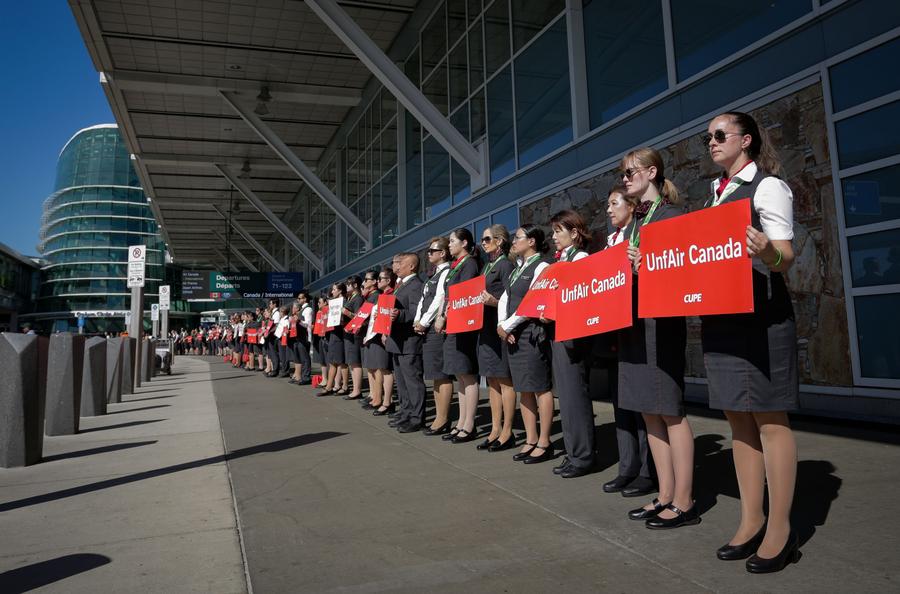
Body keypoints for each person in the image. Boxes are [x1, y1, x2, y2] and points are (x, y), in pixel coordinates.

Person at [700, 111, 800, 573]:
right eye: (708, 138)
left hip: (762, 316)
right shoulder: (715, 194)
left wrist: (767, 251)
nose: (712, 142)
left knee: (769, 417)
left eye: (720, 135)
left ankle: (780, 528)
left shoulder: (768, 186)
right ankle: (750, 518)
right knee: (737, 418)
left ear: (746, 140)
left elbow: (786, 256)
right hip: (724, 318)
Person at [617, 147, 697, 531]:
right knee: (649, 411)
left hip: (660, 325)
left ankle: (685, 499)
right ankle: (665, 494)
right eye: (623, 174)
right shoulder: (635, 221)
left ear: (651, 172)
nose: (625, 178)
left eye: (631, 172)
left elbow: (682, 270)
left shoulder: (671, 215)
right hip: (634, 324)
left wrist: (646, 266)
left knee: (670, 411)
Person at [602, 185, 656, 496]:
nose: (608, 210)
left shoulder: (640, 232)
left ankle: (649, 472)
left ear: (630, 205)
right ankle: (628, 467)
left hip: (638, 326)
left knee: (642, 405)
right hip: (615, 331)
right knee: (621, 403)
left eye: (613, 203)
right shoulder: (610, 240)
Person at [498, 225, 554, 464]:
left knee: (540, 387)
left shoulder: (542, 266)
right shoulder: (516, 269)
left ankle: (544, 441)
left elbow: (533, 301)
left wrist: (508, 325)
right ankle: (530, 439)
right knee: (524, 388)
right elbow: (505, 298)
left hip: (531, 334)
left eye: (518, 237)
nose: (514, 241)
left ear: (531, 241)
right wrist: (502, 325)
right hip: (513, 336)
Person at [547, 209, 596, 478]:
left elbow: (580, 299)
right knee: (565, 397)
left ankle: (583, 455)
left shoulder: (581, 259)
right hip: (558, 332)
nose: (554, 236)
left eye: (558, 231)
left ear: (574, 233)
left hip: (574, 337)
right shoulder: (562, 260)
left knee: (575, 395)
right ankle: (573, 451)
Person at [437, 228, 482, 444]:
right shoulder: (455, 267)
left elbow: (465, 294)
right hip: (453, 325)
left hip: (464, 326)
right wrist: (442, 316)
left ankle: (469, 424)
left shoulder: (470, 264)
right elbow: (447, 296)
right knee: (460, 376)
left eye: (453, 241)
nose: (450, 245)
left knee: (468, 374)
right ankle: (461, 422)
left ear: (464, 243)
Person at [476, 224, 516, 451]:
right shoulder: (486, 266)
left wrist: (494, 301)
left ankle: (508, 431)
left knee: (503, 380)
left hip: (498, 328)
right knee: (491, 380)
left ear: (499, 241)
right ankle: (495, 429)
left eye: (487, 238)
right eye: (482, 239)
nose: (483, 242)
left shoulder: (505, 265)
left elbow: (511, 297)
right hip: (485, 330)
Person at [413, 237, 453, 435]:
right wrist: (417, 319)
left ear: (443, 253)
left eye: (432, 250)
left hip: (435, 329)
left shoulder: (446, 272)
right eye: (428, 251)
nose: (428, 254)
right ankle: (439, 416)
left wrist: (424, 321)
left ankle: (443, 418)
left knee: (441, 375)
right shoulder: (432, 275)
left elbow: (439, 299)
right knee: (435, 376)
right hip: (426, 328)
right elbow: (423, 299)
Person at [385, 252, 426, 432]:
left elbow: (417, 312)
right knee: (401, 382)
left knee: (412, 382)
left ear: (411, 266)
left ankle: (417, 418)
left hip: (409, 341)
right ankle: (406, 412)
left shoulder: (416, 285)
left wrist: (399, 315)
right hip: (397, 341)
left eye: (401, 263)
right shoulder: (400, 286)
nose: (397, 266)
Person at [369, 267, 396, 416]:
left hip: (387, 335)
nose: (377, 282)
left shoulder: (391, 294)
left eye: (380, 279)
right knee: (384, 369)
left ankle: (387, 402)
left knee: (386, 369)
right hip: (381, 334)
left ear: (388, 281)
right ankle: (386, 401)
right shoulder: (384, 295)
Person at [320, 283, 349, 395]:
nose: (332, 292)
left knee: (341, 362)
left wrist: (342, 318)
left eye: (334, 289)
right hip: (333, 333)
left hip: (340, 334)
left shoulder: (345, 302)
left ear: (340, 291)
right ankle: (329, 386)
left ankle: (344, 386)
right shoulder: (333, 303)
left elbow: (347, 319)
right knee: (332, 362)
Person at [341, 276, 366, 399]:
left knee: (355, 362)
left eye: (348, 284)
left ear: (355, 285)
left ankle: (357, 390)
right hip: (347, 333)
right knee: (351, 362)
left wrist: (347, 313)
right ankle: (355, 389)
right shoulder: (350, 298)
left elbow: (359, 318)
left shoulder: (358, 299)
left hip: (354, 334)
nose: (346, 286)